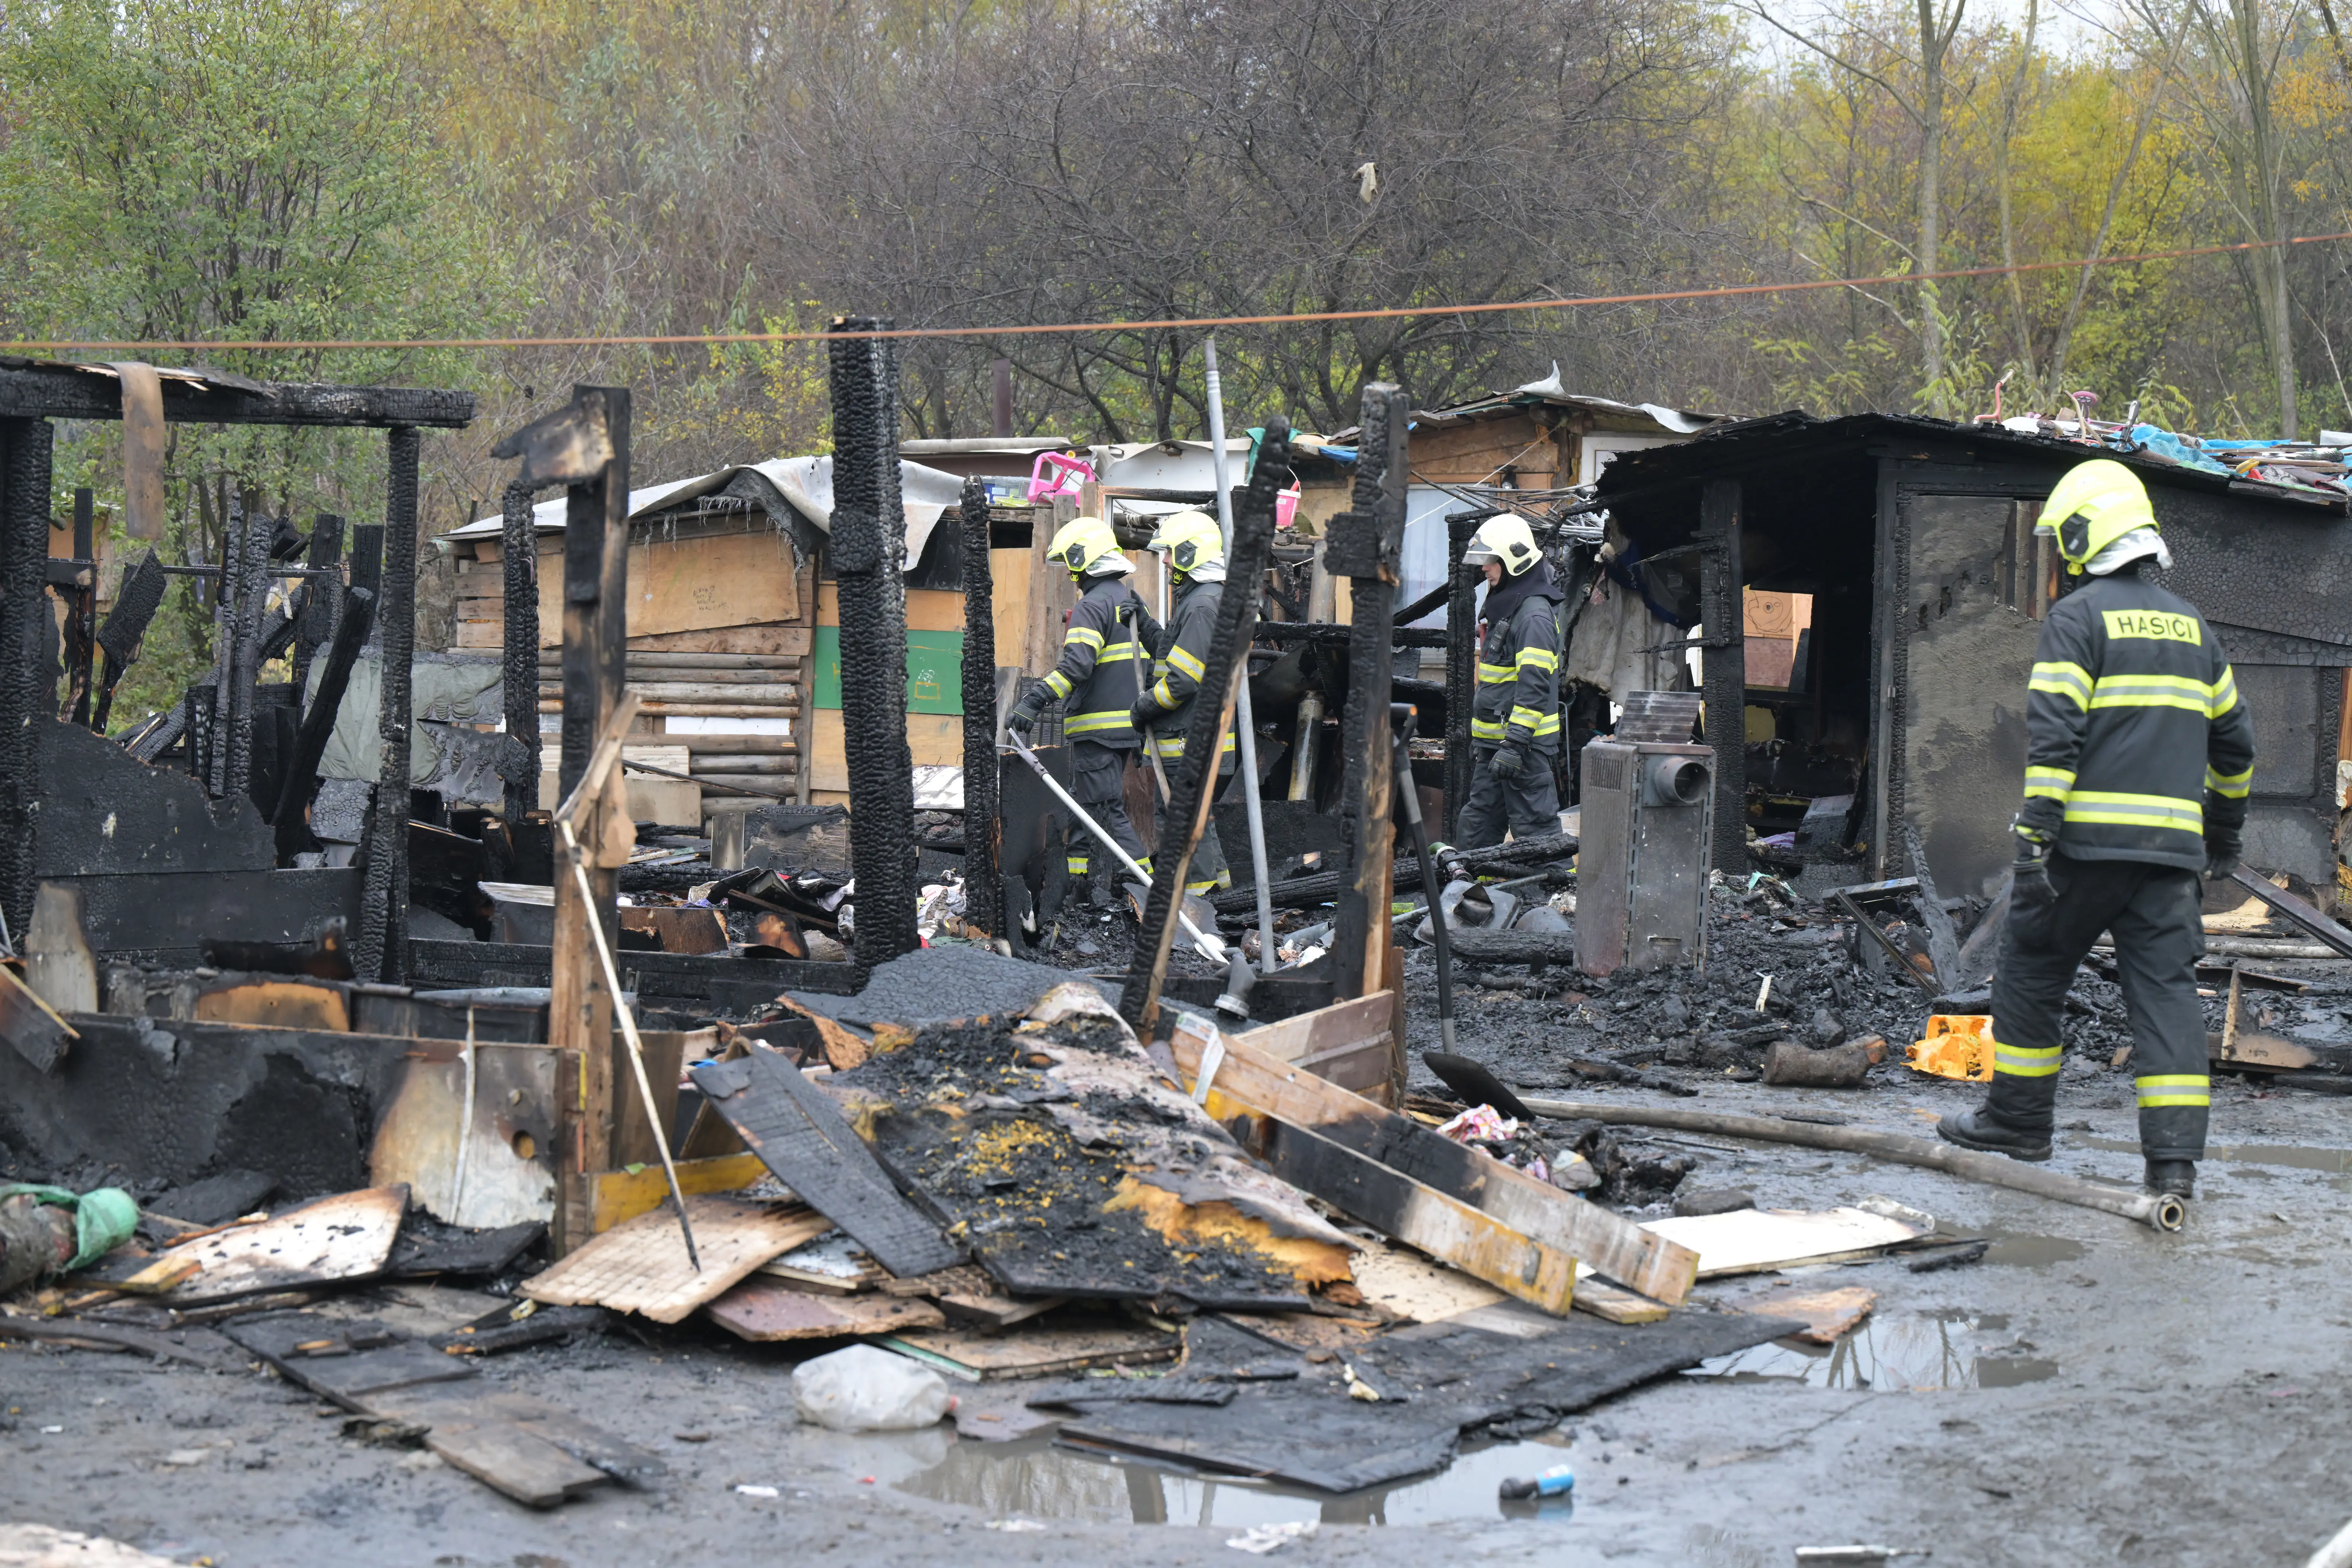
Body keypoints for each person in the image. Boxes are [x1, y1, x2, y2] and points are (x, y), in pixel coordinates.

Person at [1939, 458, 2254, 1203]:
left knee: (2032, 969)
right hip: (2170, 860)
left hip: (2082, 853)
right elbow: (2236, 746)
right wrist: (2223, 834)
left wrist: (2034, 840)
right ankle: (2172, 1168)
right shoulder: (2194, 629)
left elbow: (2055, 742)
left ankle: (2018, 1122)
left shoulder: (2076, 620)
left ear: (2085, 538)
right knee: (2167, 1000)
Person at [1005, 516, 1153, 898]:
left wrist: (1034, 700)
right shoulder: (1129, 601)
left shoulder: (1093, 605)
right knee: (1084, 811)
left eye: (1071, 563)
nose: (1071, 574)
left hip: (1098, 731)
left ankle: (1148, 893)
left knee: (1105, 813)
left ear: (1082, 560)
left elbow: (1077, 666)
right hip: (1125, 729)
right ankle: (1077, 888)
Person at [1129, 510, 1234, 893]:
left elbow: (1183, 681)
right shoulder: (1203, 602)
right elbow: (1174, 654)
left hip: (1189, 739)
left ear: (1191, 554)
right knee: (1195, 823)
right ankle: (1222, 899)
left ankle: (1197, 903)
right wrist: (1145, 623)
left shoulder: (1202, 607)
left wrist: (1143, 708)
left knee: (1184, 825)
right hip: (1197, 737)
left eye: (1171, 553)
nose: (1166, 562)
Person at [1458, 514, 1564, 848]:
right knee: (1478, 826)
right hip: (1498, 747)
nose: (1485, 569)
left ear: (1513, 561)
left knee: (1537, 834)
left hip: (1523, 750)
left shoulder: (1533, 616)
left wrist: (1515, 745)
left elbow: (1534, 688)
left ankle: (1555, 884)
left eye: (1491, 560)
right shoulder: (1512, 608)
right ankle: (1468, 879)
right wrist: (1488, 742)